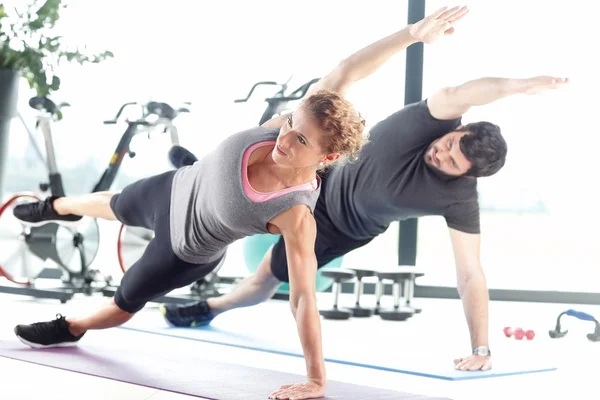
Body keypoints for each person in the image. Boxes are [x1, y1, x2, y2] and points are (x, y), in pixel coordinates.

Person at [10, 6, 471, 400]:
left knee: (122, 304)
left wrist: (315, 378)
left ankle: (72, 327)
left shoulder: (295, 214)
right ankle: (56, 206)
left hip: (183, 250)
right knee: (111, 203)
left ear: (327, 157)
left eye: (301, 139)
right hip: (177, 187)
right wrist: (413, 34)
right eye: (290, 123)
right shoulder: (290, 125)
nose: (284, 138)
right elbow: (347, 71)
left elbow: (304, 298)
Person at [162, 7, 569, 383]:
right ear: (455, 130)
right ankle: (202, 173)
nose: (439, 152)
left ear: (466, 177)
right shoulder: (434, 118)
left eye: (450, 162)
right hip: (322, 173)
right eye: (449, 143)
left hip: (340, 228)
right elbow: (466, 91)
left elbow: (470, 274)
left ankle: (210, 308)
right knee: (273, 136)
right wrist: (518, 86)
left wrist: (481, 348)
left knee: (269, 276)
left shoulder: (459, 200)